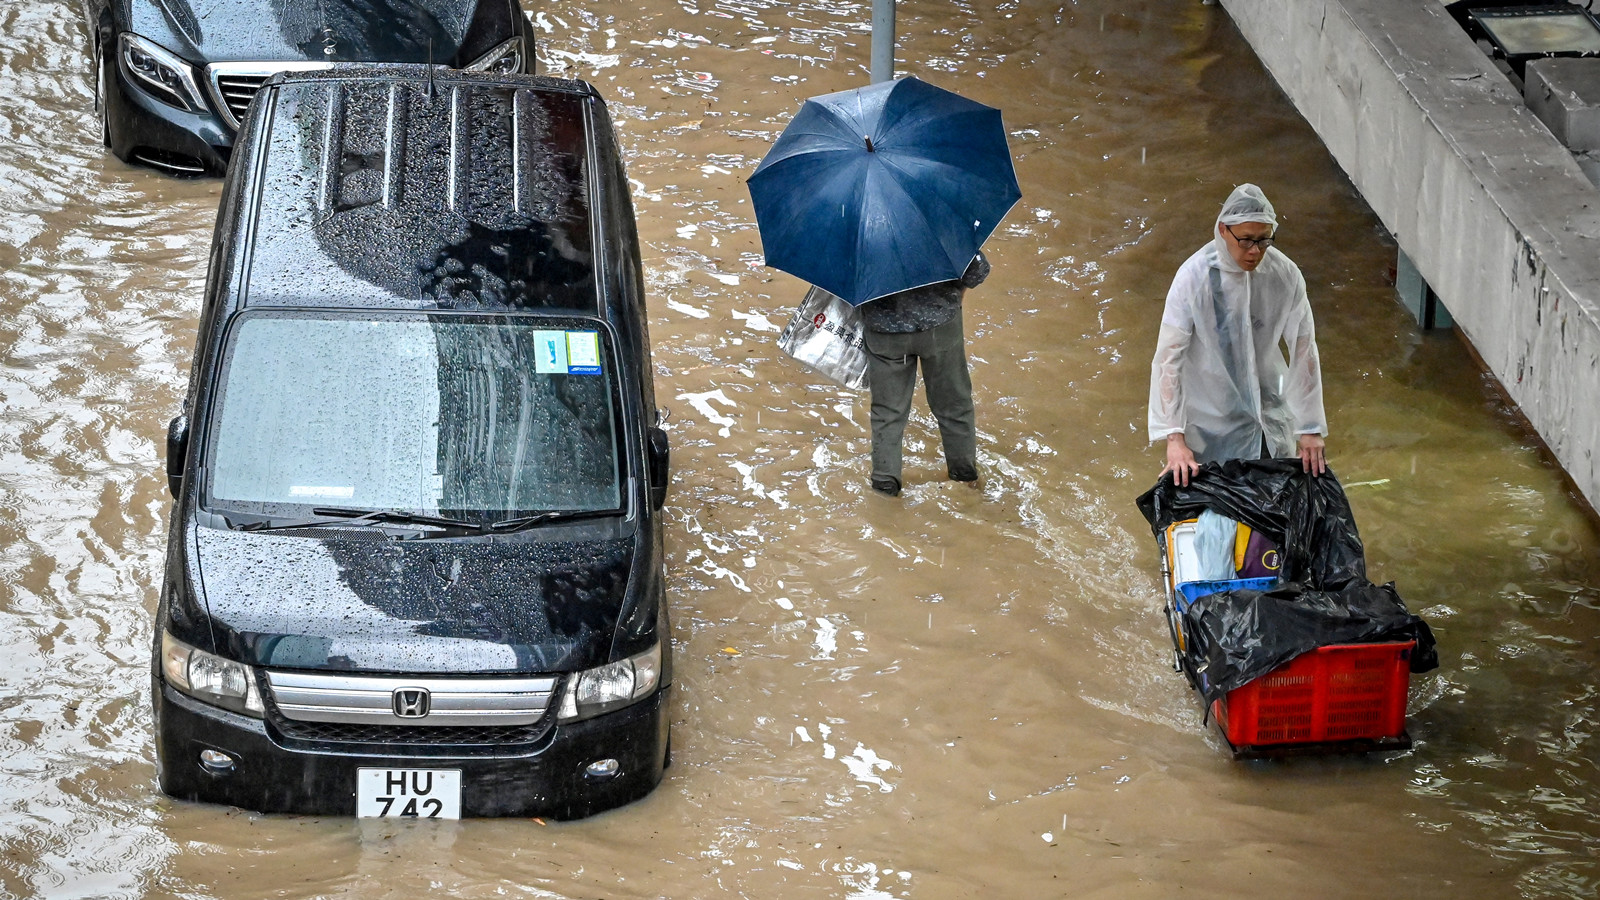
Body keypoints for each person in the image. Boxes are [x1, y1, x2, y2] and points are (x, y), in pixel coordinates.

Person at [1148, 184, 1327, 487]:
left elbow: (1303, 347)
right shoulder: (1194, 278)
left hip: (1268, 415)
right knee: (1217, 512)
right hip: (1209, 422)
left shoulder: (1283, 274)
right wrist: (1174, 438)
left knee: (1272, 511)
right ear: (1223, 230)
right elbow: (1168, 359)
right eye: (1245, 240)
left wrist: (1309, 428)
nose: (1255, 251)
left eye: (1264, 239)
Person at [860, 251, 990, 496]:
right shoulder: (939, 224)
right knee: (954, 405)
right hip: (940, 326)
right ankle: (965, 481)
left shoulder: (860, 236)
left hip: (884, 333)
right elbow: (977, 270)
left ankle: (885, 487)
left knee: (887, 413)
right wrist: (957, 294)